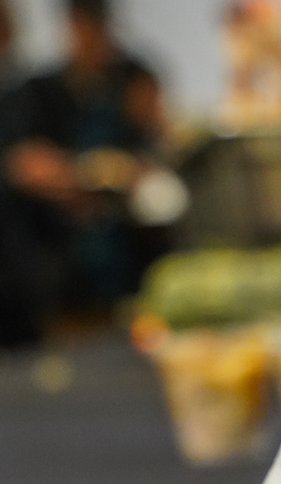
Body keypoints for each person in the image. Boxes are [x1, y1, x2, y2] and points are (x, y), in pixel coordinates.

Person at [0, 0, 165, 344]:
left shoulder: (134, 77)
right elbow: (24, 164)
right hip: (61, 269)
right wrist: (78, 176)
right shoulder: (37, 90)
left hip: (130, 259)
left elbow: (157, 144)